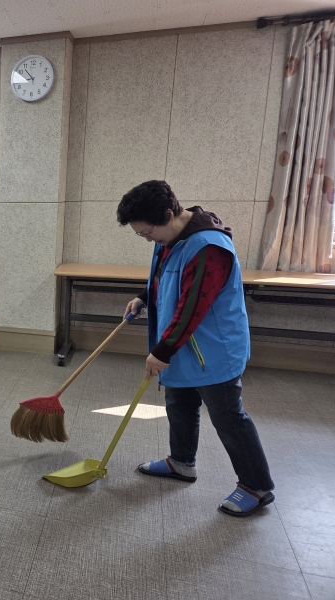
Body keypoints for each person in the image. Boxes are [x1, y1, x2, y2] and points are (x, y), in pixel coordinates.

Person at [116, 180, 274, 517]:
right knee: (179, 402)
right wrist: (144, 297)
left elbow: (193, 307)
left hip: (213, 350)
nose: (147, 239)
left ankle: (256, 486)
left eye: (148, 232)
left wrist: (162, 350)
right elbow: (162, 277)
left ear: (169, 213)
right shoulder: (169, 236)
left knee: (228, 417)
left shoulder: (209, 249)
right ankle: (182, 462)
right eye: (140, 234)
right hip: (183, 347)